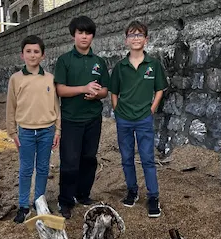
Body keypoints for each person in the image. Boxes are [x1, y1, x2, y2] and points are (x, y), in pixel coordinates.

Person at [110, 20, 168, 218]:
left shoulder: (153, 65)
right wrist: (117, 110)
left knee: (147, 159)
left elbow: (160, 89)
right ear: (126, 40)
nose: (136, 38)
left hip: (144, 118)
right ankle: (132, 190)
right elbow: (114, 91)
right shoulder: (120, 67)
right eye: (132, 35)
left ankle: (153, 197)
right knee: (127, 158)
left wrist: (152, 108)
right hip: (124, 118)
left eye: (139, 35)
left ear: (146, 39)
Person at [54, 16, 109, 219]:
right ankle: (66, 200)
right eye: (80, 32)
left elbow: (105, 90)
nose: (84, 36)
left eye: (87, 33)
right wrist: (83, 89)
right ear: (73, 35)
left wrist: (97, 94)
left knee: (89, 159)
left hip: (93, 118)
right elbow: (59, 89)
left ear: (92, 36)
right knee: (69, 161)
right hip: (71, 119)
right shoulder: (64, 61)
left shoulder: (99, 62)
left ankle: (83, 195)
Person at [6, 35, 61, 224]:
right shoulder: (15, 79)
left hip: (47, 131)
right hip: (26, 132)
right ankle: (23, 206)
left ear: (43, 55)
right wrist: (12, 132)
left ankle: (39, 202)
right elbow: (10, 107)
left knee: (43, 168)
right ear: (22, 55)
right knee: (26, 169)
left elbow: (56, 106)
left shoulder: (50, 78)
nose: (32, 55)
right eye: (28, 51)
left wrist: (58, 130)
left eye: (36, 51)